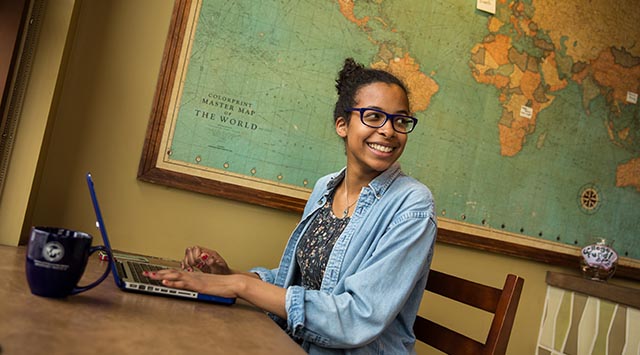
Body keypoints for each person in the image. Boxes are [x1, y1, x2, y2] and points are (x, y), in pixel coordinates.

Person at [145, 58, 437, 354]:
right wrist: (229, 274)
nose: (389, 131)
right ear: (342, 125)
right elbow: (301, 282)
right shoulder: (326, 187)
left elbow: (355, 319)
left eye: (400, 120)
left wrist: (240, 287)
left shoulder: (413, 204)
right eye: (373, 116)